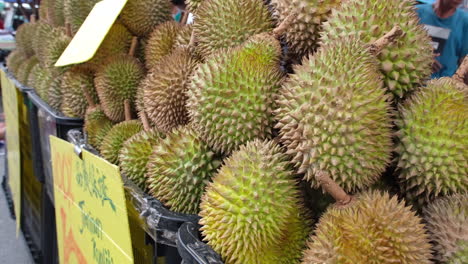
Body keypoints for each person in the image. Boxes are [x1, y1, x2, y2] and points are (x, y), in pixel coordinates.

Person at [416, 0, 468, 78]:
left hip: (445, 81)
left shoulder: (464, 20)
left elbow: (463, 58)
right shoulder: (417, 12)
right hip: (414, 77)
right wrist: (422, 58)